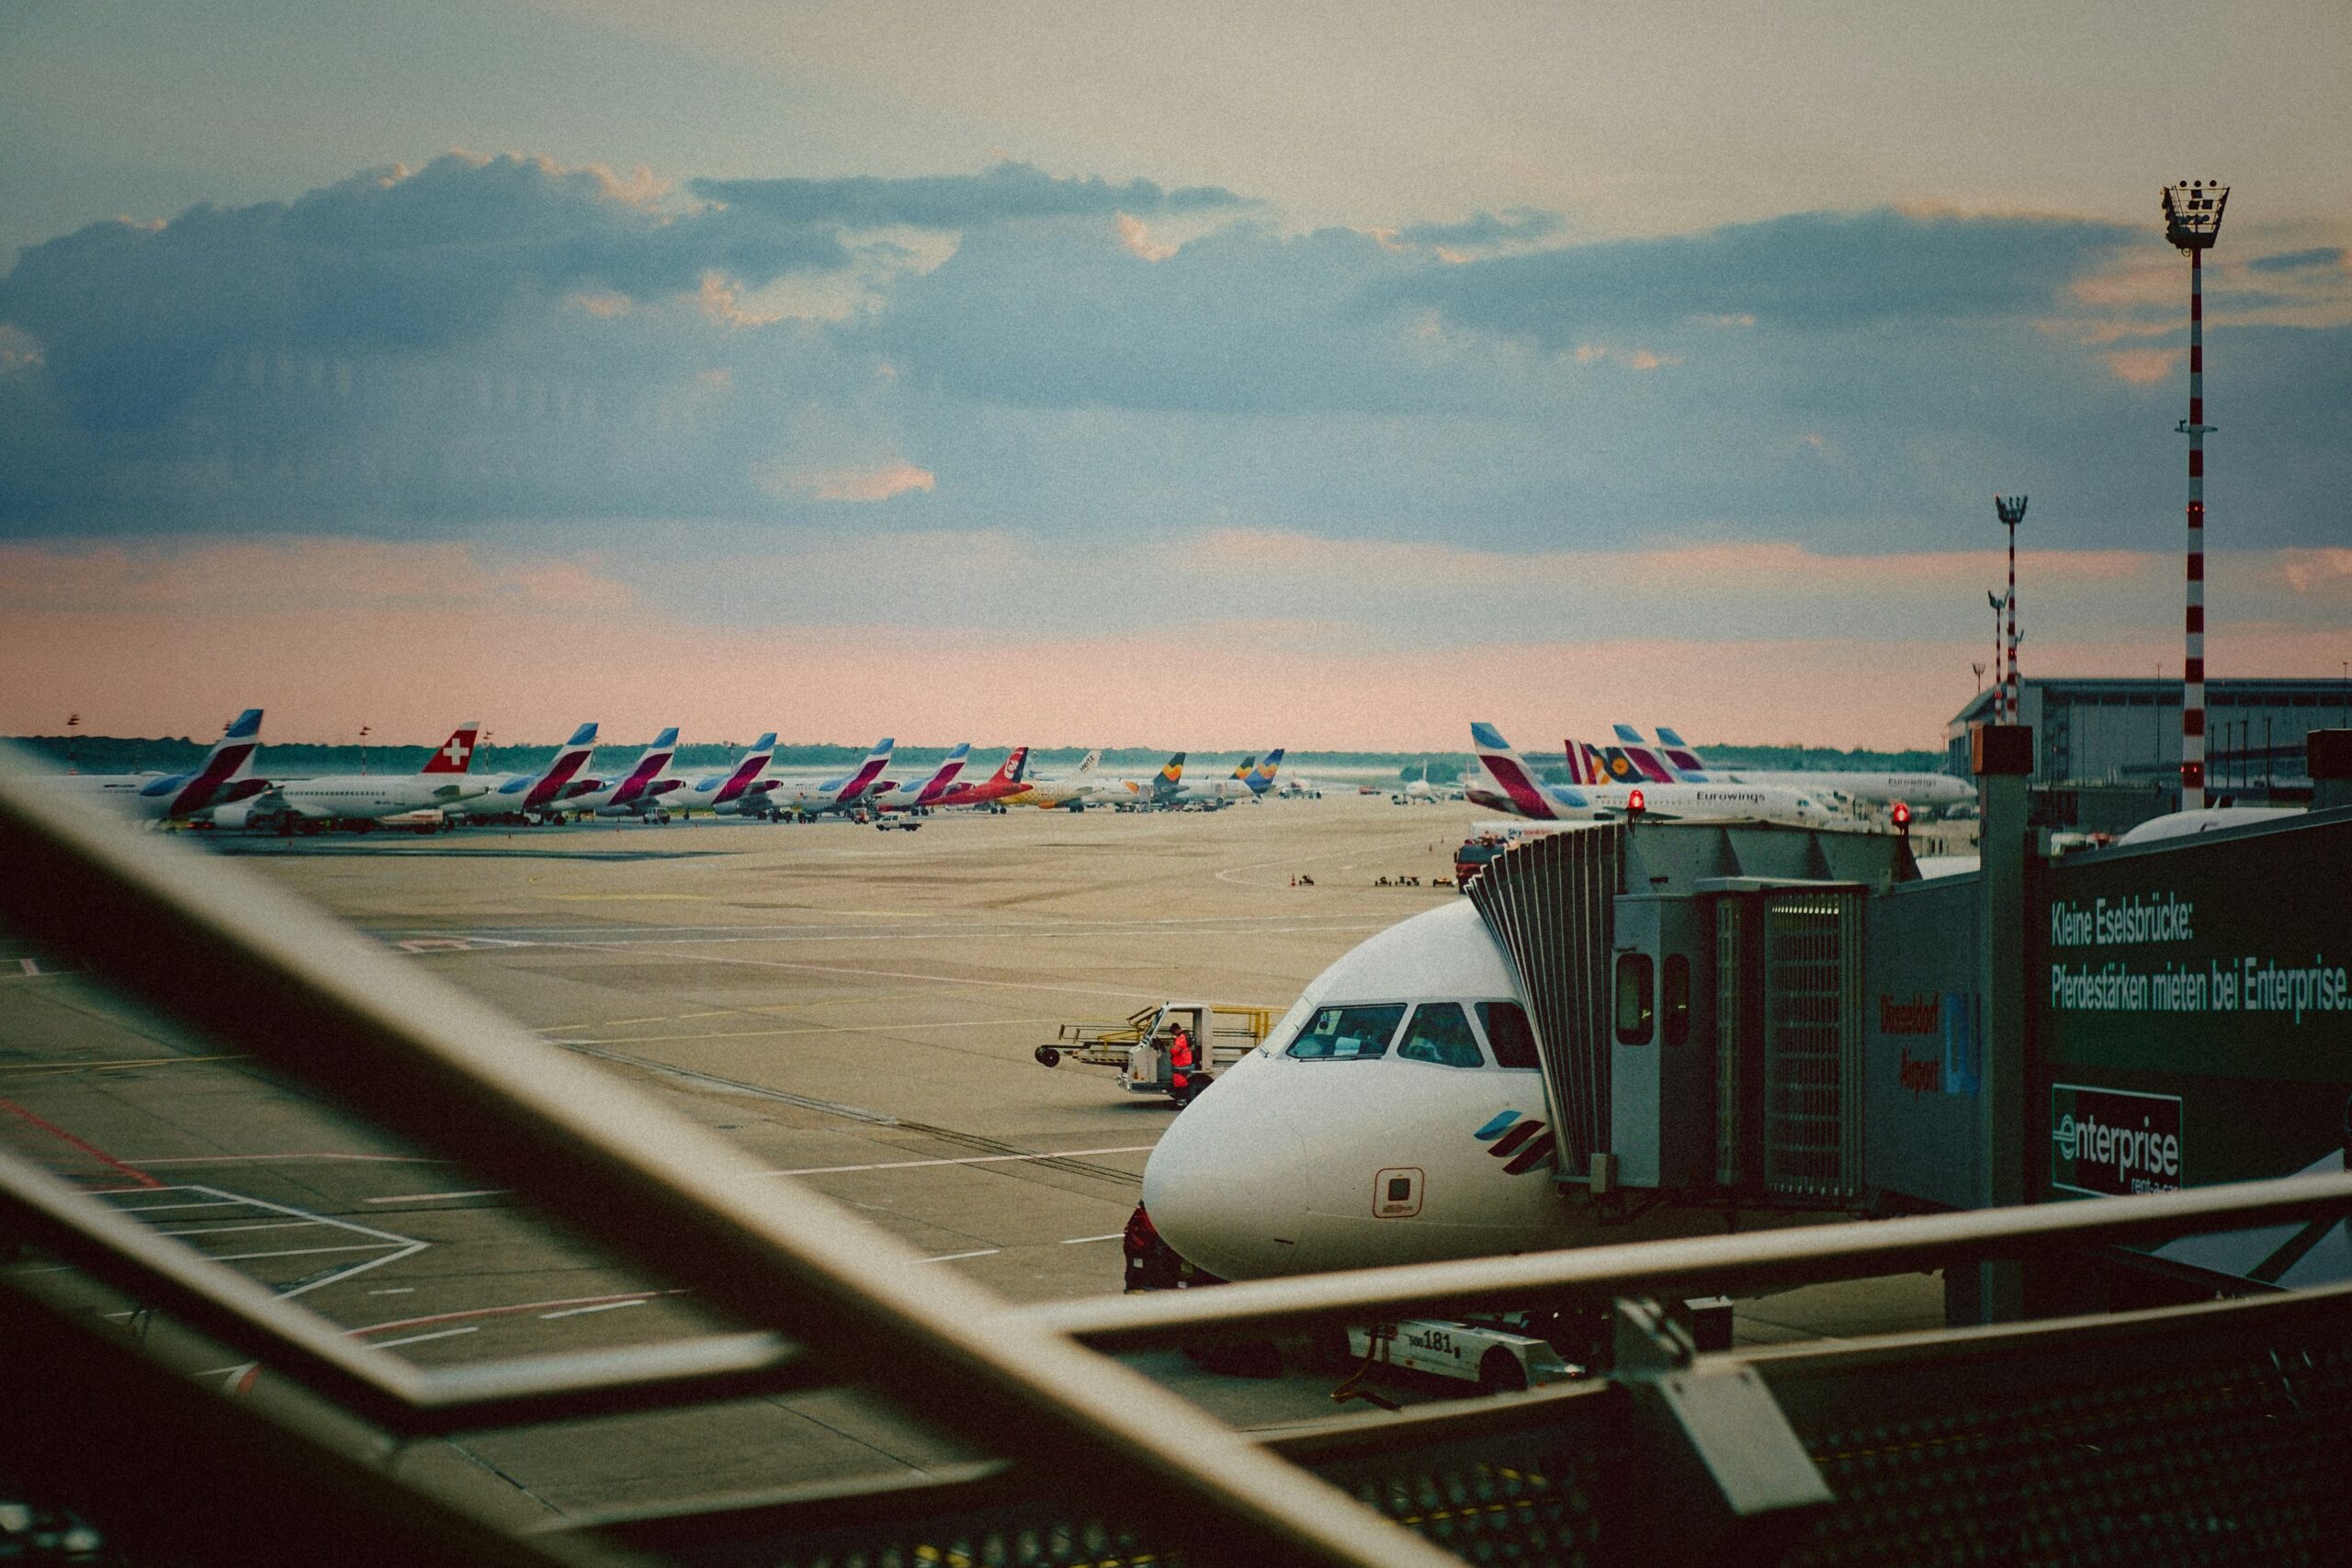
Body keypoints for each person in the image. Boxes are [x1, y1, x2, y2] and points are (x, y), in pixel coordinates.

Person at [1169, 1021, 1195, 1104]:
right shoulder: (1186, 1035)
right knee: (1182, 1081)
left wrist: (1171, 1050)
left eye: (1173, 1032)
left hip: (1181, 1063)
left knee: (1179, 1082)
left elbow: (1175, 1050)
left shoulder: (1181, 1037)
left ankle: (1181, 1102)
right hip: (1186, 1061)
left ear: (1176, 1030)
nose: (1173, 1034)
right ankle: (1182, 1101)